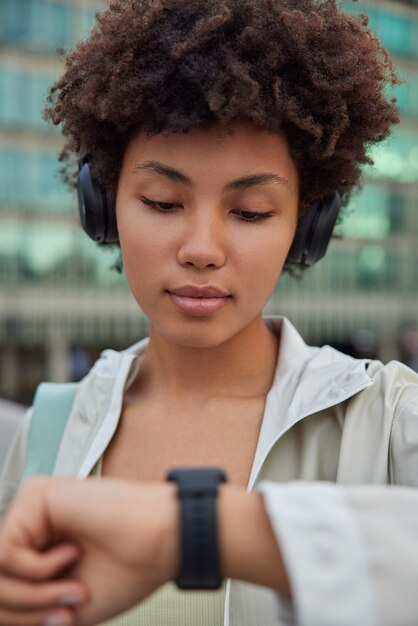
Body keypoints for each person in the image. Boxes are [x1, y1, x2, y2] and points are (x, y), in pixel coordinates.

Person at [0, 1, 417, 625]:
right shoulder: (49, 433)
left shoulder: (388, 421)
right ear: (103, 206)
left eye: (250, 212)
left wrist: (194, 529)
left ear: (309, 225)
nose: (201, 250)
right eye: (163, 202)